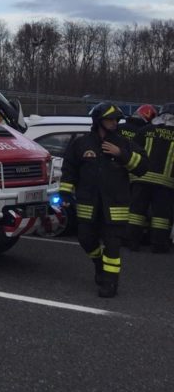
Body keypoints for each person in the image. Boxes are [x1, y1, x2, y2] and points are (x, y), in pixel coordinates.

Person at [58, 102, 148, 298]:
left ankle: (110, 284)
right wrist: (65, 192)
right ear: (99, 120)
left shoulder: (123, 142)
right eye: (110, 119)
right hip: (88, 204)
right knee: (85, 239)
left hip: (115, 205)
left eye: (116, 119)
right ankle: (99, 263)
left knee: (113, 246)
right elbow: (69, 169)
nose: (115, 122)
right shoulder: (81, 143)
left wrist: (121, 155)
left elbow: (142, 167)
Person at [127, 103, 174, 253]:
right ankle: (159, 245)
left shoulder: (145, 130)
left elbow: (131, 151)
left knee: (136, 212)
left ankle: (131, 242)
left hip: (140, 178)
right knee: (161, 216)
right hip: (165, 182)